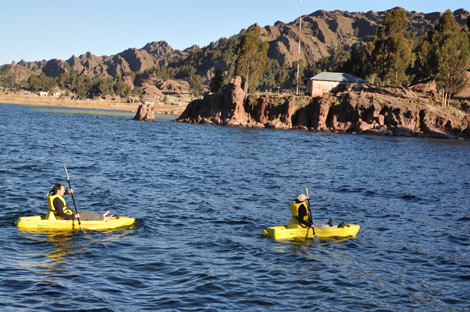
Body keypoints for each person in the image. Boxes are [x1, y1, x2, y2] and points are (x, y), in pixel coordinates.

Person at [47, 183, 112, 221]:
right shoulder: (58, 201)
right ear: (58, 191)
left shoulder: (54, 195)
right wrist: (74, 216)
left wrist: (68, 192)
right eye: (63, 190)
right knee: (86, 214)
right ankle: (103, 219)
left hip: (69, 214)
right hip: (67, 218)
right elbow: (61, 214)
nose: (64, 191)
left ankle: (101, 216)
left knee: (84, 212)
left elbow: (60, 194)